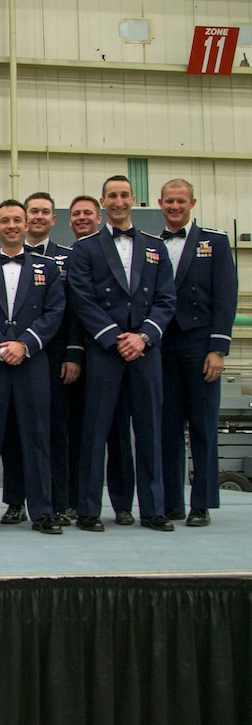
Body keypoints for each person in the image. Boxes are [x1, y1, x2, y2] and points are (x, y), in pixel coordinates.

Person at [67, 175, 176, 532]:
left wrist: (143, 337)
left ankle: (154, 509)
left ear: (134, 200)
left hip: (145, 351)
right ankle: (88, 510)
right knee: (95, 432)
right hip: (106, 350)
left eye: (124, 195)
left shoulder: (155, 247)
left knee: (149, 431)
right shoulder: (85, 248)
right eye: (111, 196)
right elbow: (83, 300)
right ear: (103, 202)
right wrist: (116, 338)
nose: (118, 201)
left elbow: (165, 299)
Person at [0, 200, 65, 534]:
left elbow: (54, 313)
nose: (11, 225)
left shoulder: (48, 268)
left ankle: (43, 512)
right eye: (4, 220)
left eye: (16, 220)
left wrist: (26, 344)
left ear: (25, 225)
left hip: (32, 362)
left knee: (36, 437)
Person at [0, 192, 83, 527]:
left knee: (52, 433)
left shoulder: (66, 259)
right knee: (12, 433)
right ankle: (16, 501)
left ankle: (57, 501)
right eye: (32, 211)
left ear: (53, 219)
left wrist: (73, 353)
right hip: (7, 357)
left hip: (51, 358)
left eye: (44, 212)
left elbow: (73, 310)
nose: (37, 217)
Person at [157, 178, 237, 526]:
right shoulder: (153, 245)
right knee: (167, 427)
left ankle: (201, 503)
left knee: (202, 425)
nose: (175, 207)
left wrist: (218, 348)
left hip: (200, 343)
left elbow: (226, 296)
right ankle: (172, 502)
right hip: (162, 346)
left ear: (193, 202)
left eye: (180, 201)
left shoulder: (215, 241)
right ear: (160, 203)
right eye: (169, 202)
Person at [63, 195, 135, 523]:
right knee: (79, 433)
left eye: (87, 213)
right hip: (77, 356)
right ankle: (79, 501)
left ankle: (121, 504)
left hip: (116, 352)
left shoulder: (122, 252)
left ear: (99, 215)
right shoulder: (70, 255)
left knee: (119, 432)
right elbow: (76, 308)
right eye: (76, 214)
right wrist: (75, 353)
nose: (81, 218)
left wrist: (121, 339)